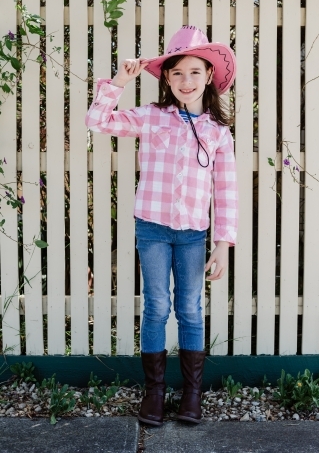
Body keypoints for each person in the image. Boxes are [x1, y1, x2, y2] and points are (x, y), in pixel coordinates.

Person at [85, 25, 238, 426]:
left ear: (208, 75)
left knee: (189, 309)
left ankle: (191, 394)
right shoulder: (152, 118)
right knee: (156, 307)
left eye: (194, 71)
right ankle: (154, 392)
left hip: (193, 233)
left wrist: (223, 243)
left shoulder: (217, 133)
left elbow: (226, 191)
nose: (186, 81)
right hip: (151, 228)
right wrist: (120, 80)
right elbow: (97, 121)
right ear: (166, 79)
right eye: (177, 73)